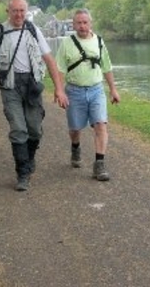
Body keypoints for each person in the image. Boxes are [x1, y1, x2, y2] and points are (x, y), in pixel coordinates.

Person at [0, 0, 69, 191]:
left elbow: (49, 60)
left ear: (26, 12)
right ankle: (23, 173)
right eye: (15, 11)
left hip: (32, 86)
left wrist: (59, 89)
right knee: (19, 129)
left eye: (22, 11)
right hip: (10, 87)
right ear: (7, 11)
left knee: (34, 129)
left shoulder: (34, 30)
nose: (19, 15)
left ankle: (29, 159)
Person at [55, 9, 120, 181]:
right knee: (75, 129)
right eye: (79, 23)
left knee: (100, 125)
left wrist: (113, 89)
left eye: (85, 22)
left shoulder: (99, 41)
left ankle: (99, 165)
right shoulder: (66, 43)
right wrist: (60, 91)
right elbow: (59, 70)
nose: (82, 26)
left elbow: (106, 66)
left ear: (90, 23)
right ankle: (75, 147)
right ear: (73, 24)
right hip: (74, 91)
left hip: (96, 90)